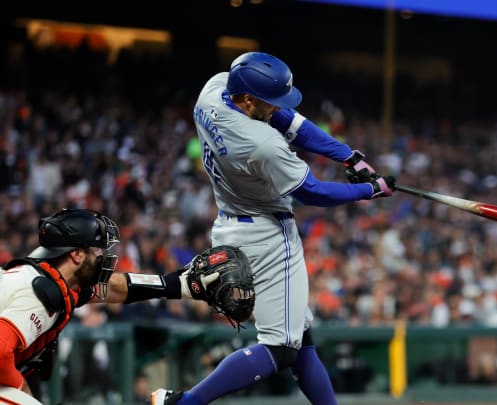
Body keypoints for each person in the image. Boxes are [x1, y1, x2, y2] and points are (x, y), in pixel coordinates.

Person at [151, 51, 396, 405]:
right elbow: (311, 191)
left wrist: (348, 156)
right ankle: (185, 403)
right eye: (270, 101)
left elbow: (290, 122)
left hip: (233, 223)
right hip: (268, 236)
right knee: (281, 349)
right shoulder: (261, 144)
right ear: (248, 100)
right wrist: (369, 190)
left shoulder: (214, 89)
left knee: (301, 339)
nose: (277, 108)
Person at [0, 208, 234, 404]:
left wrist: (179, 285)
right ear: (77, 255)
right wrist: (24, 392)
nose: (102, 255)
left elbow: (116, 287)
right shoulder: (39, 292)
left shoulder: (61, 282)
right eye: (96, 249)